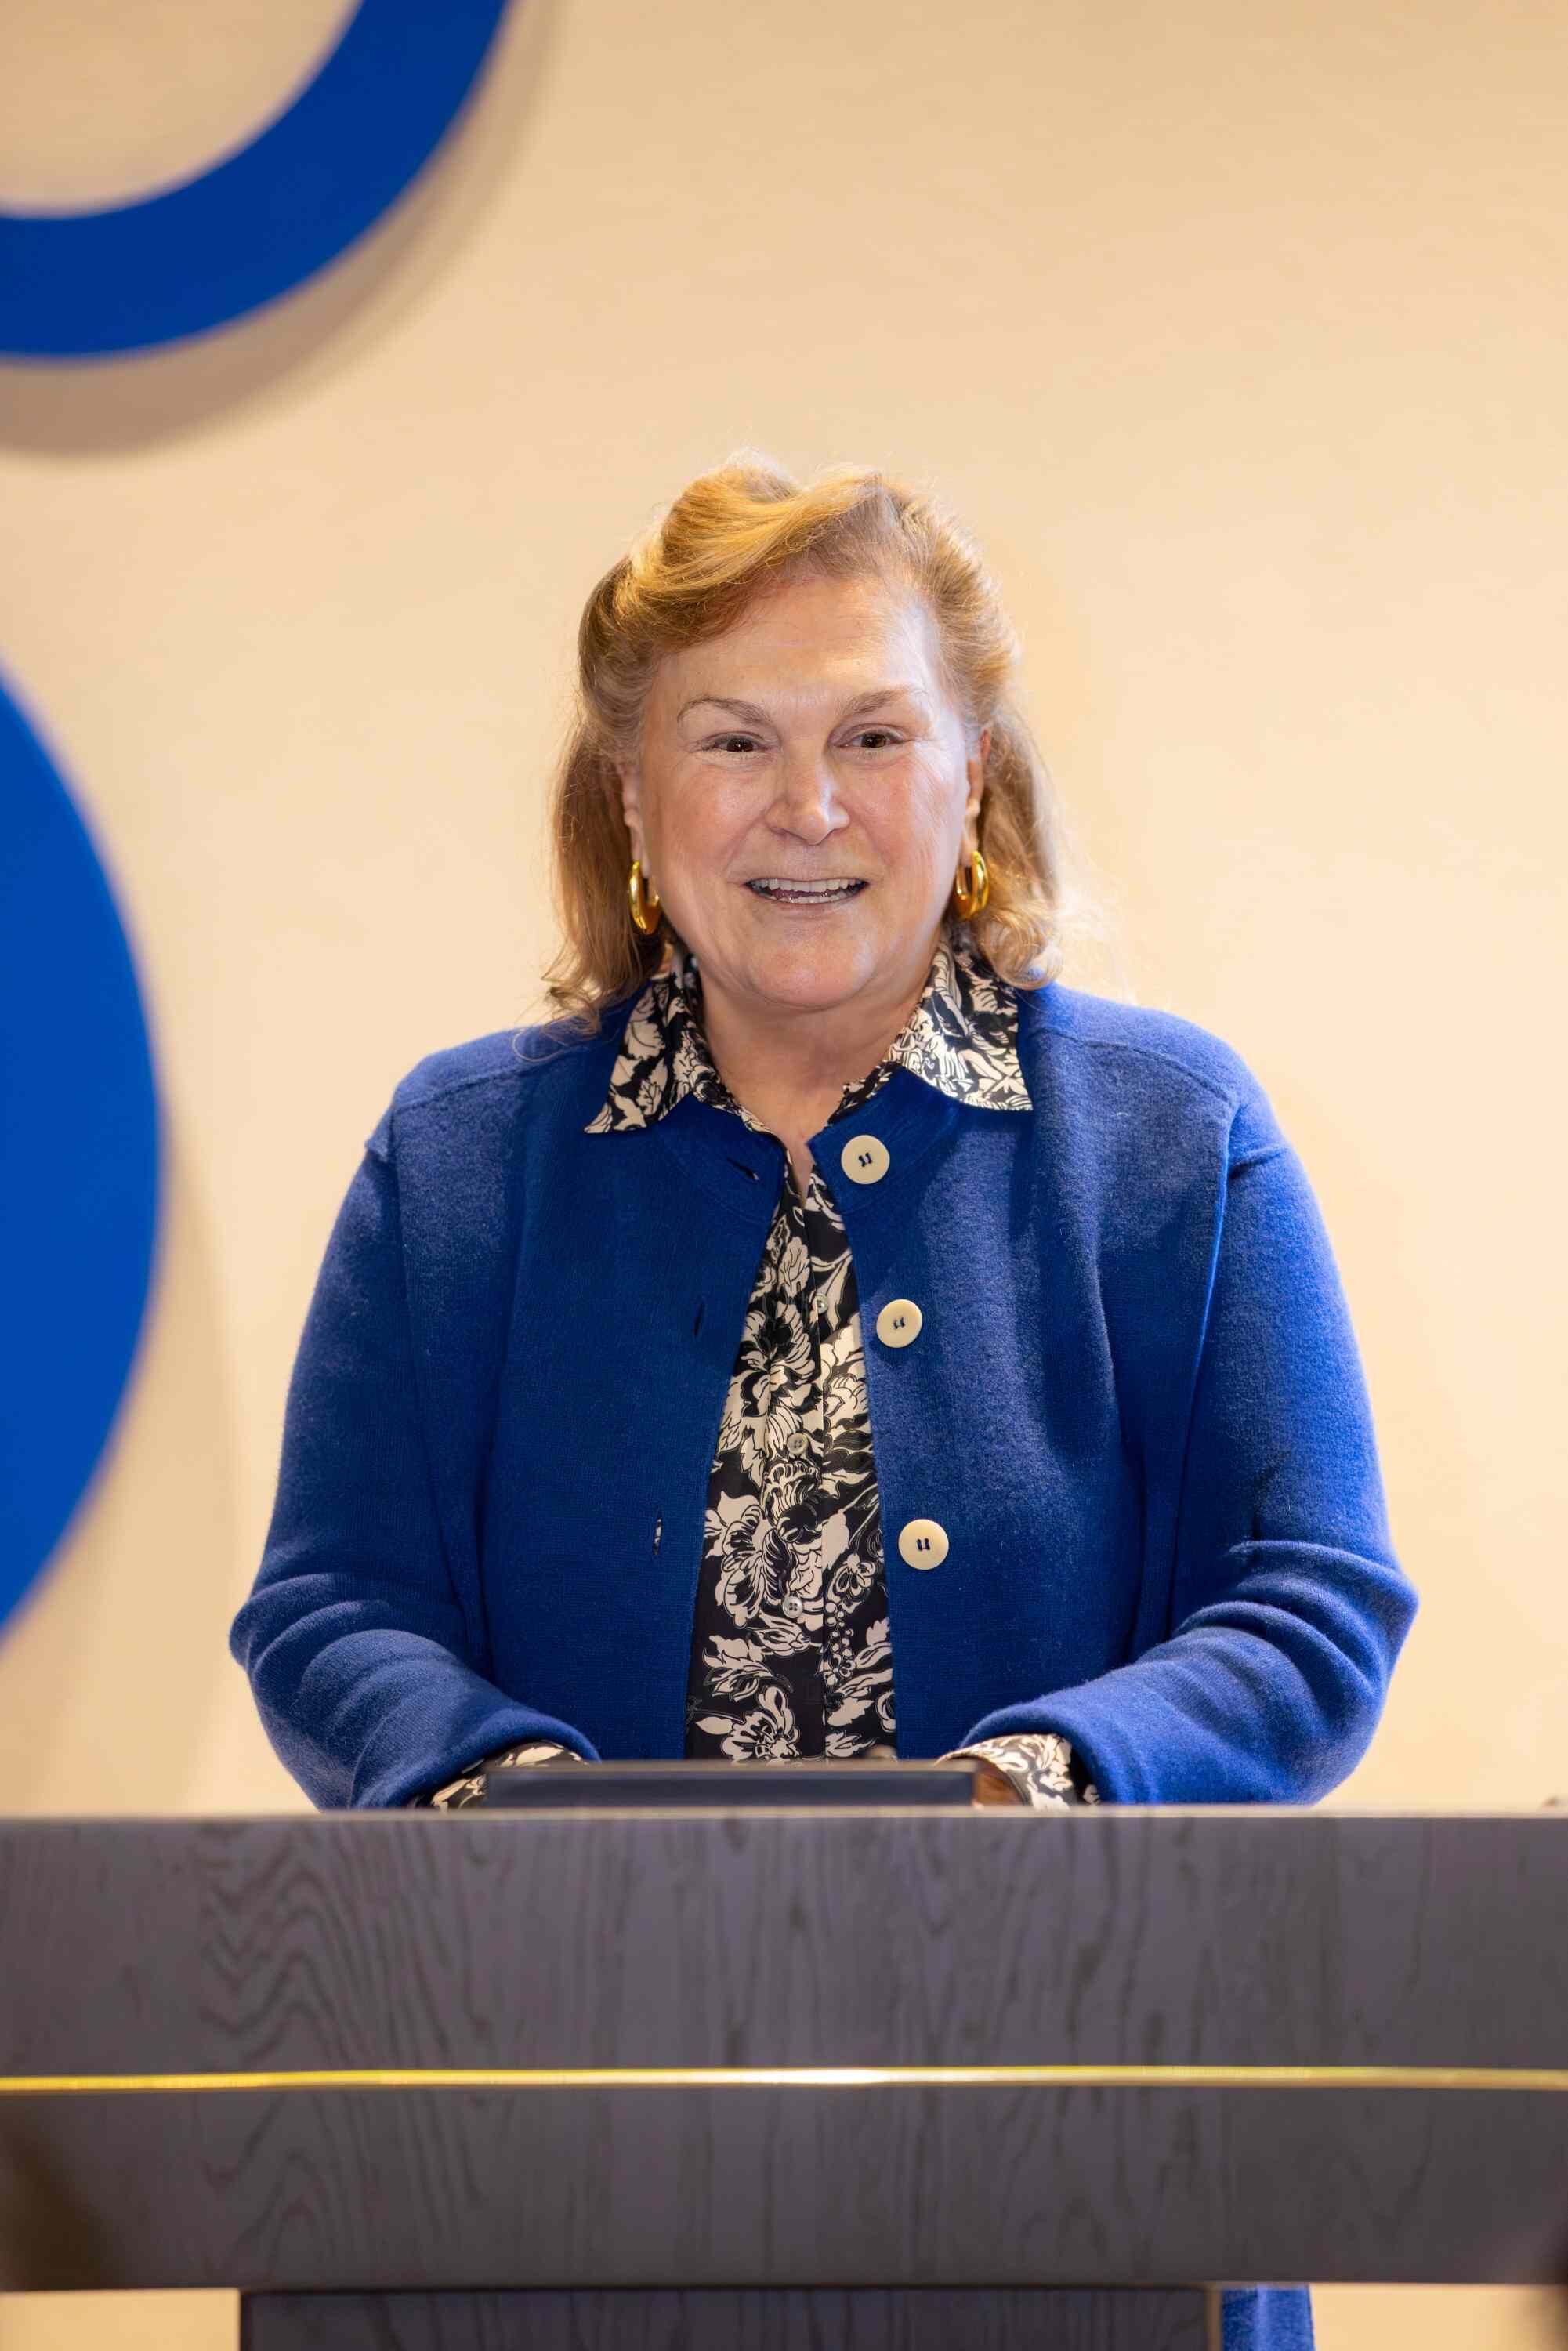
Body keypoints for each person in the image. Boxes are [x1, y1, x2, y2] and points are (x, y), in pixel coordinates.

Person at [230, 451, 1418, 2351]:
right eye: (731, 741)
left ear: (973, 780)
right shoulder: (453, 1158)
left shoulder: (1171, 1138)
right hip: (536, 2180)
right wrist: (518, 1812)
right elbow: (327, 1608)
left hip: (1073, 2187)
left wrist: (1031, 1791)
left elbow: (1307, 1608)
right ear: (631, 796)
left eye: (873, 734)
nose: (807, 806)